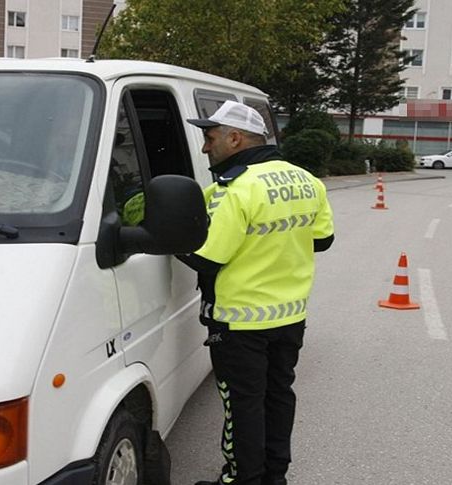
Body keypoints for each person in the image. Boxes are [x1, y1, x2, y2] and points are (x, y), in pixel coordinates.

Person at [179, 100, 334, 485]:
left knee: (242, 405)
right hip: (290, 315)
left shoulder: (234, 190)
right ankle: (274, 476)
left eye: (209, 138)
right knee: (279, 396)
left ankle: (241, 479)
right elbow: (323, 240)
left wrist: (167, 241)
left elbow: (207, 259)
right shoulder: (306, 180)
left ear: (234, 138)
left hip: (239, 319)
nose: (204, 148)